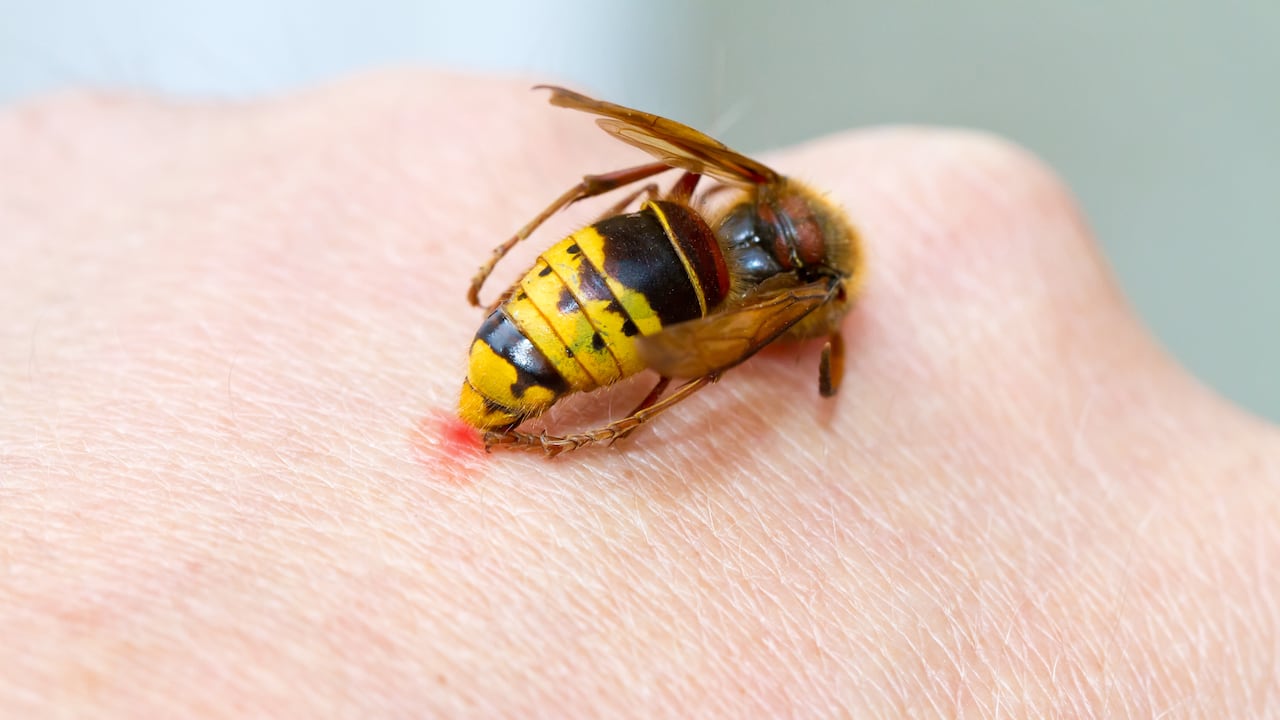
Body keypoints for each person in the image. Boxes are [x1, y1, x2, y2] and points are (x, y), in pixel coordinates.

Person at [2, 71, 1276, 717]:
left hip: (560, 297)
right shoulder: (796, 308)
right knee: (689, 348)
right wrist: (657, 403)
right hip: (590, 323)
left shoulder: (731, 192)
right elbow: (717, 354)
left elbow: (619, 188)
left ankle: (544, 328)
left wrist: (532, 244)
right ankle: (587, 397)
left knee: (656, 285)